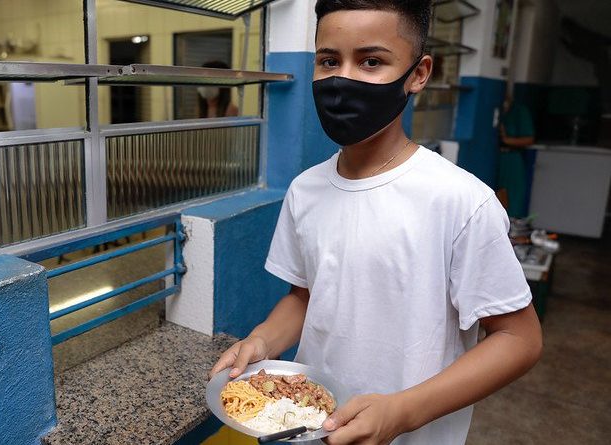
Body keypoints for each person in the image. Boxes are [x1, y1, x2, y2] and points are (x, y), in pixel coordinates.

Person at [210, 2, 542, 445]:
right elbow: (305, 297)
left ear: (419, 73)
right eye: (329, 60)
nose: (342, 80)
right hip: (307, 424)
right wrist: (262, 341)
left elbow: (519, 339)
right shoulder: (306, 190)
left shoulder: (461, 202)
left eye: (371, 61)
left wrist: (402, 412)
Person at [497, 93, 535, 218]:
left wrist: (506, 140)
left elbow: (529, 139)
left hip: (512, 158)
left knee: (513, 198)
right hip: (494, 158)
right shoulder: (496, 109)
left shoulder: (519, 111)